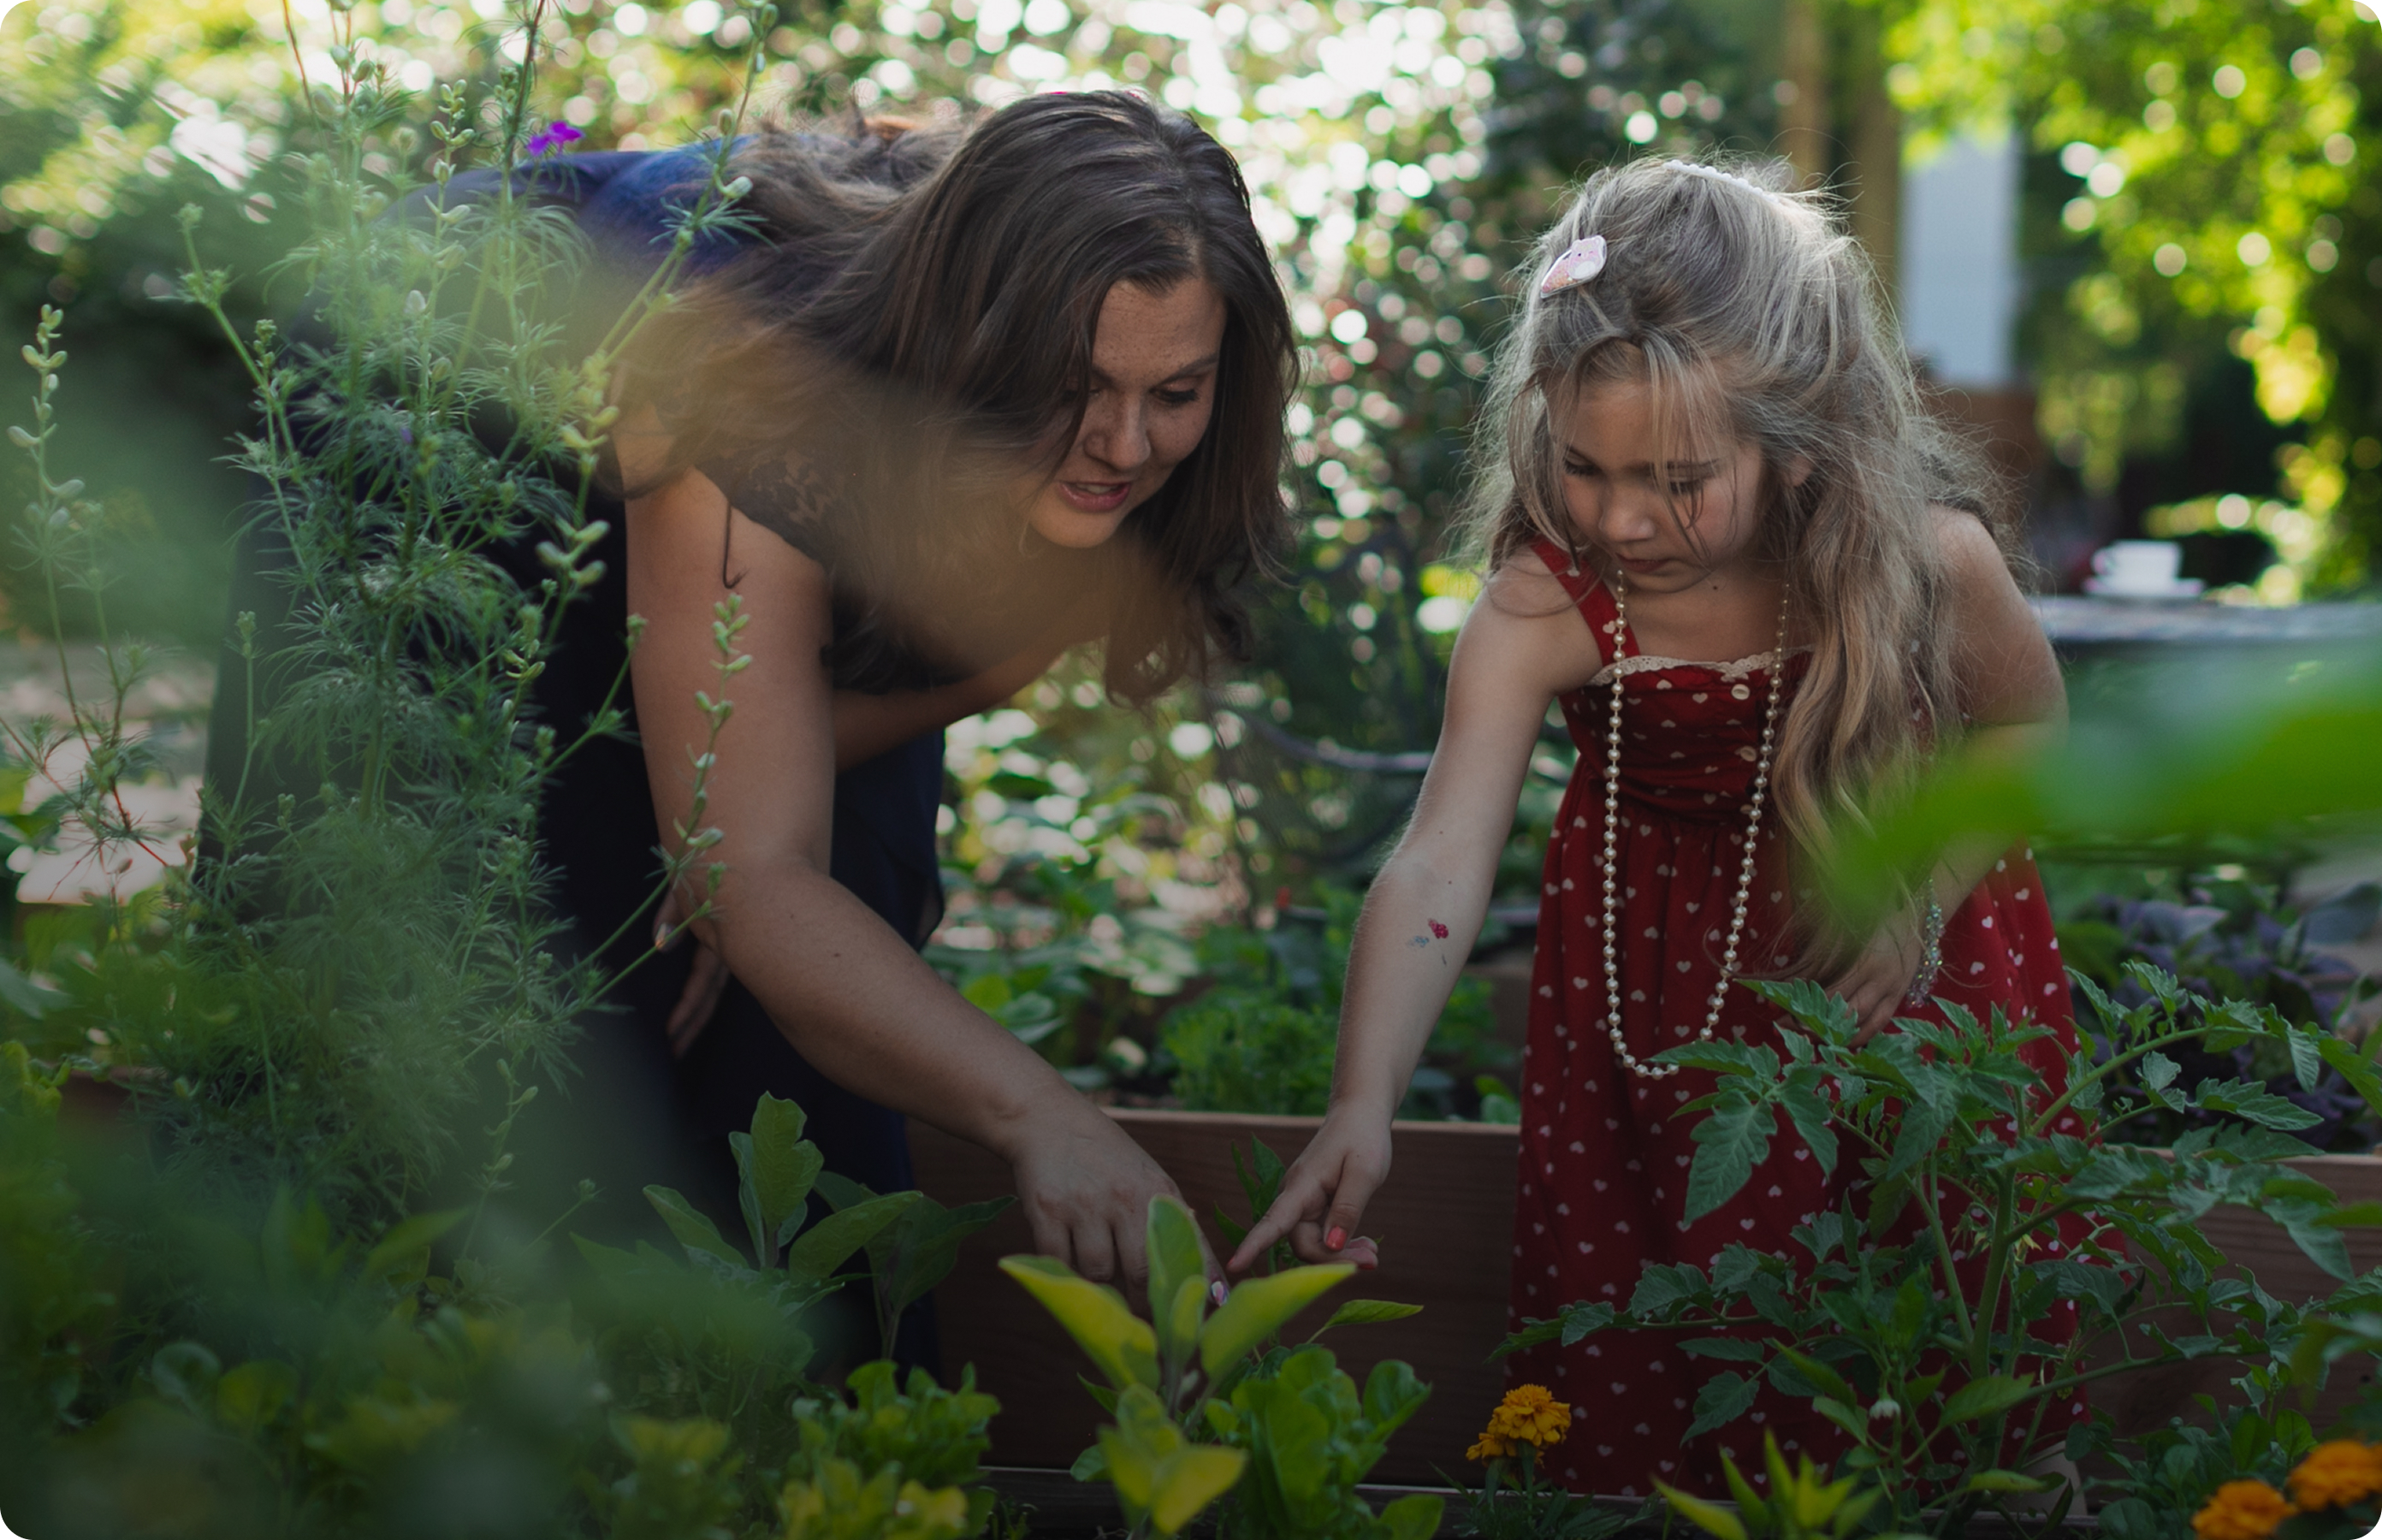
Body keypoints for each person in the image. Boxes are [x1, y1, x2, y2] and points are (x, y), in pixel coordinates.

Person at [205, 92, 1294, 1340]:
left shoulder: (1112, 412)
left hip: (849, 463)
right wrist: (1041, 1112)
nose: (1124, 440)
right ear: (979, 337)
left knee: (796, 909)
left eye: (1178, 391)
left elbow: (819, 783)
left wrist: (732, 848)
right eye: (1079, 387)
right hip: (455, 445)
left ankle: (819, 1428)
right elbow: (750, 862)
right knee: (535, 957)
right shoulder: (745, 371)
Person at [1226, 157, 2087, 1495]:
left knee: (1925, 1331)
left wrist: (1922, 896)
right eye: (1583, 468)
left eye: (1677, 481)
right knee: (1681, 1352)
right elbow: (1442, 858)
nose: (1621, 518)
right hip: (1662, 1010)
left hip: (1900, 971)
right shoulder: (1541, 607)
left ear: (1796, 438)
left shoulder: (1925, 562)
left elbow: (2024, 735)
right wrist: (1363, 1100)